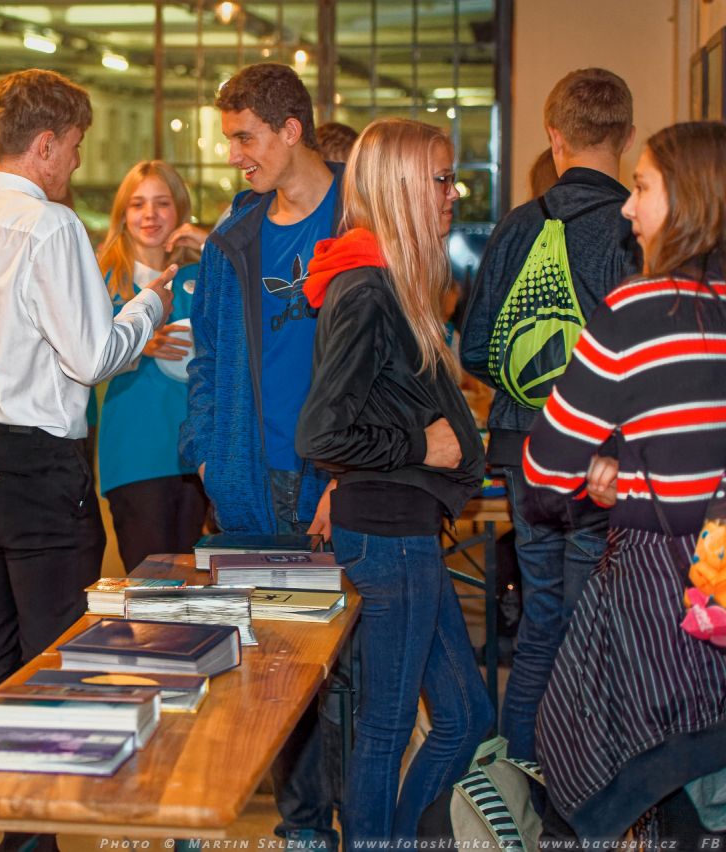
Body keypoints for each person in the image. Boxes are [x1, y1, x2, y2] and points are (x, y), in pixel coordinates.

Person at [0, 69, 173, 852]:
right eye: (78, 146)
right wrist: (149, 304)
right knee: (51, 664)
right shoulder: (51, 227)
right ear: (47, 144)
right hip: (34, 469)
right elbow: (92, 356)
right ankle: (31, 840)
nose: (79, 163)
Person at [522, 121, 726, 845]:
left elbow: (545, 466)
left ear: (690, 198)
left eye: (642, 188)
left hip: (661, 597)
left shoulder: (640, 310)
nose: (628, 208)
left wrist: (610, 478)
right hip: (717, 583)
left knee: (612, 760)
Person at [296, 117, 493, 843]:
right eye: (440, 180)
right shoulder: (368, 292)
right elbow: (321, 432)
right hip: (388, 538)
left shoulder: (391, 285)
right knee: (385, 729)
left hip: (404, 531)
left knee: (466, 717)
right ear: (402, 187)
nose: (452, 194)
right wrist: (420, 445)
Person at [178, 61, 342, 847]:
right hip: (252, 481)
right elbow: (206, 358)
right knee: (273, 675)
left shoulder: (361, 220)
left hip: (337, 482)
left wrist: (353, 475)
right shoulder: (233, 240)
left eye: (245, 138)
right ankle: (302, 829)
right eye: (230, 139)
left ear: (291, 129)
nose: (234, 155)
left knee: (350, 675)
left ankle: (359, 825)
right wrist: (209, 456)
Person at [459, 67, 640, 762]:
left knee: (540, 623)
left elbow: (477, 347)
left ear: (553, 135)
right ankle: (584, 785)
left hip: (524, 452)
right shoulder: (635, 229)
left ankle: (519, 779)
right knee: (596, 628)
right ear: (627, 136)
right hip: (605, 460)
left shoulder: (518, 226)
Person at [96, 160, 208, 572]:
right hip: (136, 455)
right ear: (122, 215)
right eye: (138, 204)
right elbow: (78, 361)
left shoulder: (204, 275)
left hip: (197, 456)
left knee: (198, 584)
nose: (150, 215)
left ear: (180, 211)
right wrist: (135, 344)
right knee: (150, 586)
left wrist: (212, 245)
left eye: (162, 203)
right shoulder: (103, 280)